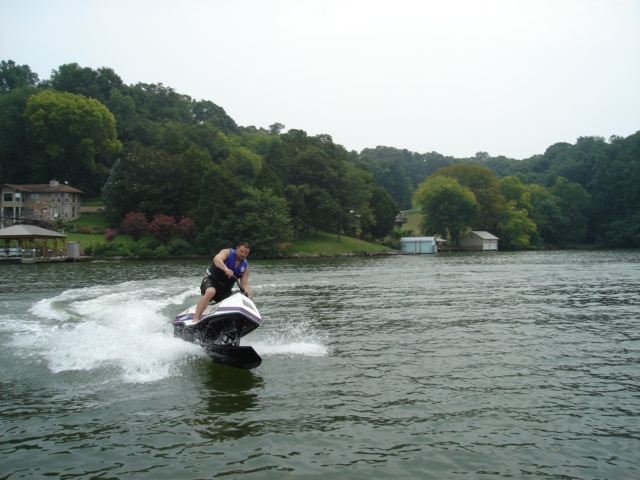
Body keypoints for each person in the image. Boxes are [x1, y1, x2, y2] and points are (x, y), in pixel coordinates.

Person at [193, 242, 252, 322]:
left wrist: (248, 295)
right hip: (211, 281)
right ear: (237, 248)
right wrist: (225, 269)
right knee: (211, 291)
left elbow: (244, 284)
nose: (243, 254)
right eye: (241, 251)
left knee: (242, 297)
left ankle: (233, 322)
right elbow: (217, 259)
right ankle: (195, 318)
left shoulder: (245, 267)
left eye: (246, 253)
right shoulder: (227, 252)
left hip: (224, 290)